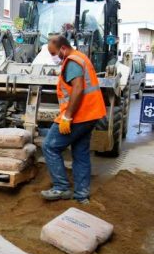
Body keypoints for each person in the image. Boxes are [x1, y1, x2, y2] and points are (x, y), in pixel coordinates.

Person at [41, 35, 106, 204]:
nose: (53, 57)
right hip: (91, 114)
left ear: (63, 48)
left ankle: (61, 187)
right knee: (80, 153)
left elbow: (78, 88)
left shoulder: (71, 62)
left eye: (53, 53)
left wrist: (67, 116)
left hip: (79, 116)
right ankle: (82, 195)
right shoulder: (81, 57)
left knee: (49, 146)